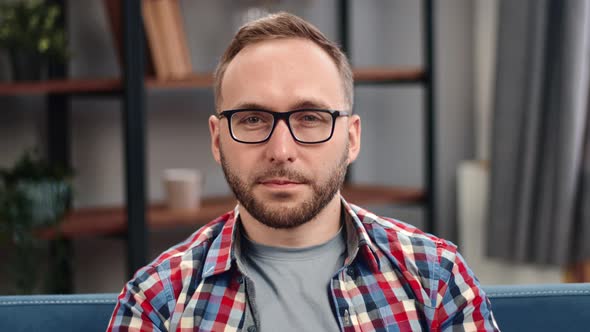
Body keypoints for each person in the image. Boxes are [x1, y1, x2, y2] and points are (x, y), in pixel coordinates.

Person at [107, 12, 499, 332]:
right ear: (217, 138)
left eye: (310, 117)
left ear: (352, 138)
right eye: (252, 119)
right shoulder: (156, 301)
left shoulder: (436, 278)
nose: (281, 151)